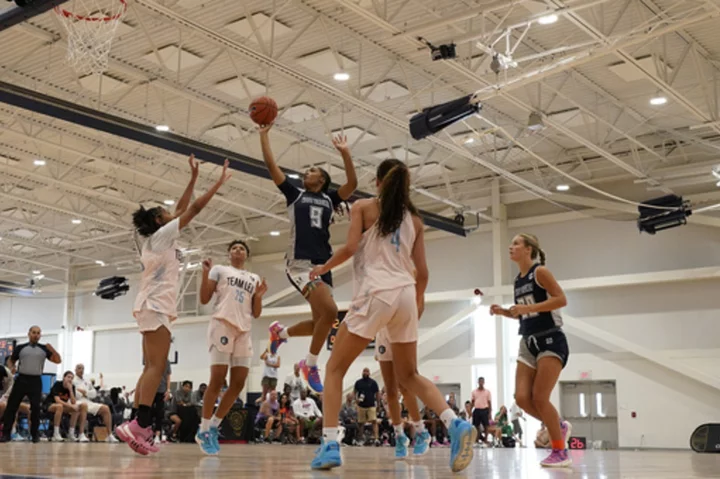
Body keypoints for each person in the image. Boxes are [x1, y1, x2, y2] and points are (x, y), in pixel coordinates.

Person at [307, 159, 475, 472]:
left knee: (334, 369)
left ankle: (330, 443)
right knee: (409, 375)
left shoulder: (364, 207)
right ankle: (455, 423)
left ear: (378, 181)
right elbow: (422, 272)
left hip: (376, 293)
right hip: (406, 297)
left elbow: (349, 248)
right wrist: (419, 302)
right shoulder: (415, 219)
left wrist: (322, 268)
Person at [116, 155, 231, 456]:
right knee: (157, 365)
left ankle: (135, 424)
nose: (172, 214)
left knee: (150, 366)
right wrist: (216, 184)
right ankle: (140, 423)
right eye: (166, 213)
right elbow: (191, 209)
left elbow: (180, 208)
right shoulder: (161, 236)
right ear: (158, 221)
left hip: (153, 306)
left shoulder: (162, 237)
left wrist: (193, 178)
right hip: (155, 305)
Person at [259, 123, 357, 394]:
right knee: (329, 312)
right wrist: (264, 136)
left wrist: (345, 153)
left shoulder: (330, 199)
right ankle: (310, 364)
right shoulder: (295, 195)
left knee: (319, 324)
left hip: (323, 265)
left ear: (323, 180)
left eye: (313, 170)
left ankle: (280, 334)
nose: (306, 172)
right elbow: (271, 166)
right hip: (300, 263)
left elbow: (352, 184)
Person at [490, 233, 572, 468]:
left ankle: (560, 451)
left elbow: (561, 299)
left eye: (516, 243)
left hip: (550, 338)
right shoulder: (518, 280)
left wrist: (530, 307)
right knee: (522, 398)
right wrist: (505, 312)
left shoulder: (540, 272)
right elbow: (528, 312)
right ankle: (559, 425)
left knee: (540, 396)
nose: (510, 246)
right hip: (527, 341)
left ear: (529, 249)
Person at [195, 239, 267, 455]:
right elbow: (205, 298)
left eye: (242, 248)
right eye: (234, 248)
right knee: (217, 379)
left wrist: (260, 296)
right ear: (229, 253)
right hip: (222, 323)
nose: (238, 250)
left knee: (238, 384)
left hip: (244, 329)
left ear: (246, 255)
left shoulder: (253, 279)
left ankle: (215, 426)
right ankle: (204, 429)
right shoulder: (219, 269)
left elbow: (256, 313)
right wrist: (204, 274)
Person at [374, 328, 431, 458]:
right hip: (382, 334)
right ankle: (400, 436)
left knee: (405, 386)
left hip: (401, 332)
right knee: (390, 391)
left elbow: (419, 308)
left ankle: (421, 431)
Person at [1, 326, 61, 443]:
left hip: (35, 380)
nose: (36, 335)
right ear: (29, 334)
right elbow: (11, 360)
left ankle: (35, 435)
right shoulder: (21, 348)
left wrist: (52, 349)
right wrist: (11, 367)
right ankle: (6, 434)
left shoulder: (44, 349)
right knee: (11, 407)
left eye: (38, 333)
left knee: (36, 408)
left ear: (40, 335)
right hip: (21, 379)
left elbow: (57, 360)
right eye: (34, 332)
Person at [73, 364, 117, 443]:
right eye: (79, 368)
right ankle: (81, 434)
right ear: (75, 370)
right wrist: (83, 393)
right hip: (77, 402)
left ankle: (109, 435)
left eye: (83, 368)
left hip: (88, 401)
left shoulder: (87, 381)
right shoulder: (72, 380)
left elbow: (94, 394)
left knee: (105, 408)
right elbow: (75, 394)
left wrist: (85, 392)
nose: (81, 370)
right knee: (84, 406)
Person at [45, 371, 87, 442]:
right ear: (64, 378)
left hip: (62, 406)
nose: (70, 379)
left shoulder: (72, 386)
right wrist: (71, 406)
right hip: (50, 404)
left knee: (78, 407)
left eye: (71, 378)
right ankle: (56, 433)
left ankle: (71, 433)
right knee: (60, 406)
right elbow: (57, 400)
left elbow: (73, 402)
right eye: (68, 377)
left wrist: (70, 390)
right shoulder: (57, 384)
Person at [354, 367, 380, 445]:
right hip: (361, 406)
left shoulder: (373, 382)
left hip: (371, 405)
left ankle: (376, 438)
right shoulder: (358, 382)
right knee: (361, 423)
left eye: (367, 371)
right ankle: (360, 439)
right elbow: (355, 392)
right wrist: (356, 400)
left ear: (369, 373)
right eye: (364, 371)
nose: (365, 373)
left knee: (374, 421)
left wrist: (378, 404)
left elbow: (377, 393)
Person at [471, 377, 492, 445]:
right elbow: (472, 401)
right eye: (480, 381)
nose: (481, 383)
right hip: (477, 410)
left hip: (484, 410)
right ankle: (476, 439)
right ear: (478, 382)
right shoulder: (474, 392)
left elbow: (489, 402)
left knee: (486, 426)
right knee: (476, 426)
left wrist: (490, 412)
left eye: (482, 381)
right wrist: (470, 411)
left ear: (484, 382)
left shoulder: (487, 392)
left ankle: (485, 440)